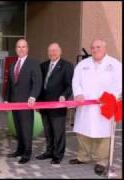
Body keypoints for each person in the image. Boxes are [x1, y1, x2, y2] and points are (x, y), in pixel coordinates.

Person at [70, 39, 122, 176]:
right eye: (92, 47)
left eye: (98, 47)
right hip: (85, 106)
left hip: (104, 105)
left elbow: (118, 84)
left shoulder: (115, 65)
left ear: (105, 48)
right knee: (83, 132)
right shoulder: (83, 64)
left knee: (103, 134)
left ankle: (102, 161)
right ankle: (83, 157)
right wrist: (79, 94)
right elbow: (75, 81)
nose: (95, 49)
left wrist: (107, 97)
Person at [5, 39, 42, 164]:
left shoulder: (33, 63)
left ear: (27, 49)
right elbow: (10, 84)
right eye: (19, 47)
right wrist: (6, 99)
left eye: (23, 47)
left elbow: (37, 82)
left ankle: (27, 154)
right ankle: (19, 150)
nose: (21, 49)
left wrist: (33, 96)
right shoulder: (13, 65)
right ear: (16, 49)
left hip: (27, 103)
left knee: (26, 129)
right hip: (15, 104)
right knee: (18, 128)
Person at [36, 43, 74, 164]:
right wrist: (37, 102)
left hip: (58, 106)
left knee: (58, 131)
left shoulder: (67, 66)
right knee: (48, 131)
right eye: (50, 51)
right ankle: (49, 151)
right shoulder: (43, 65)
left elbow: (69, 85)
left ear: (60, 51)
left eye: (55, 50)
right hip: (44, 105)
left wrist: (64, 95)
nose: (52, 53)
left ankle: (58, 155)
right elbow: (40, 86)